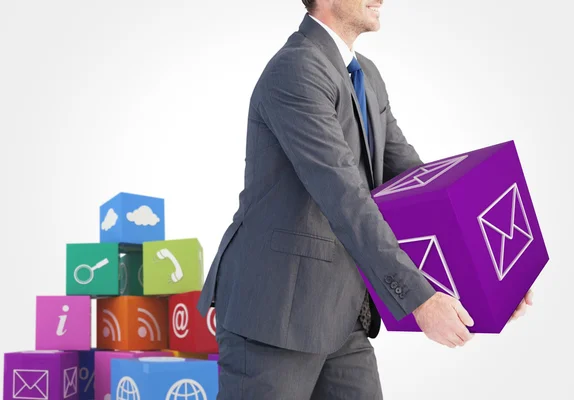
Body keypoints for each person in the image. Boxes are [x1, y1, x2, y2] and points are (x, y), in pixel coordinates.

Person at [197, 1, 534, 398]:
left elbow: (412, 183)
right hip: (276, 315)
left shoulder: (366, 76)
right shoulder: (296, 69)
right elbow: (344, 197)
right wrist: (419, 301)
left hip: (343, 315)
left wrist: (486, 279)